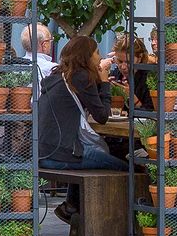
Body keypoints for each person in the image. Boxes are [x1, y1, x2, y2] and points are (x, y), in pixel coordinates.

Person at [36, 35, 126, 224]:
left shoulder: (58, 75)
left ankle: (71, 206)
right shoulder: (81, 77)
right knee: (127, 168)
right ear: (87, 56)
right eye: (97, 52)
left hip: (43, 152)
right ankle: (110, 222)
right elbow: (102, 117)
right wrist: (105, 82)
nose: (99, 57)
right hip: (59, 154)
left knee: (96, 157)